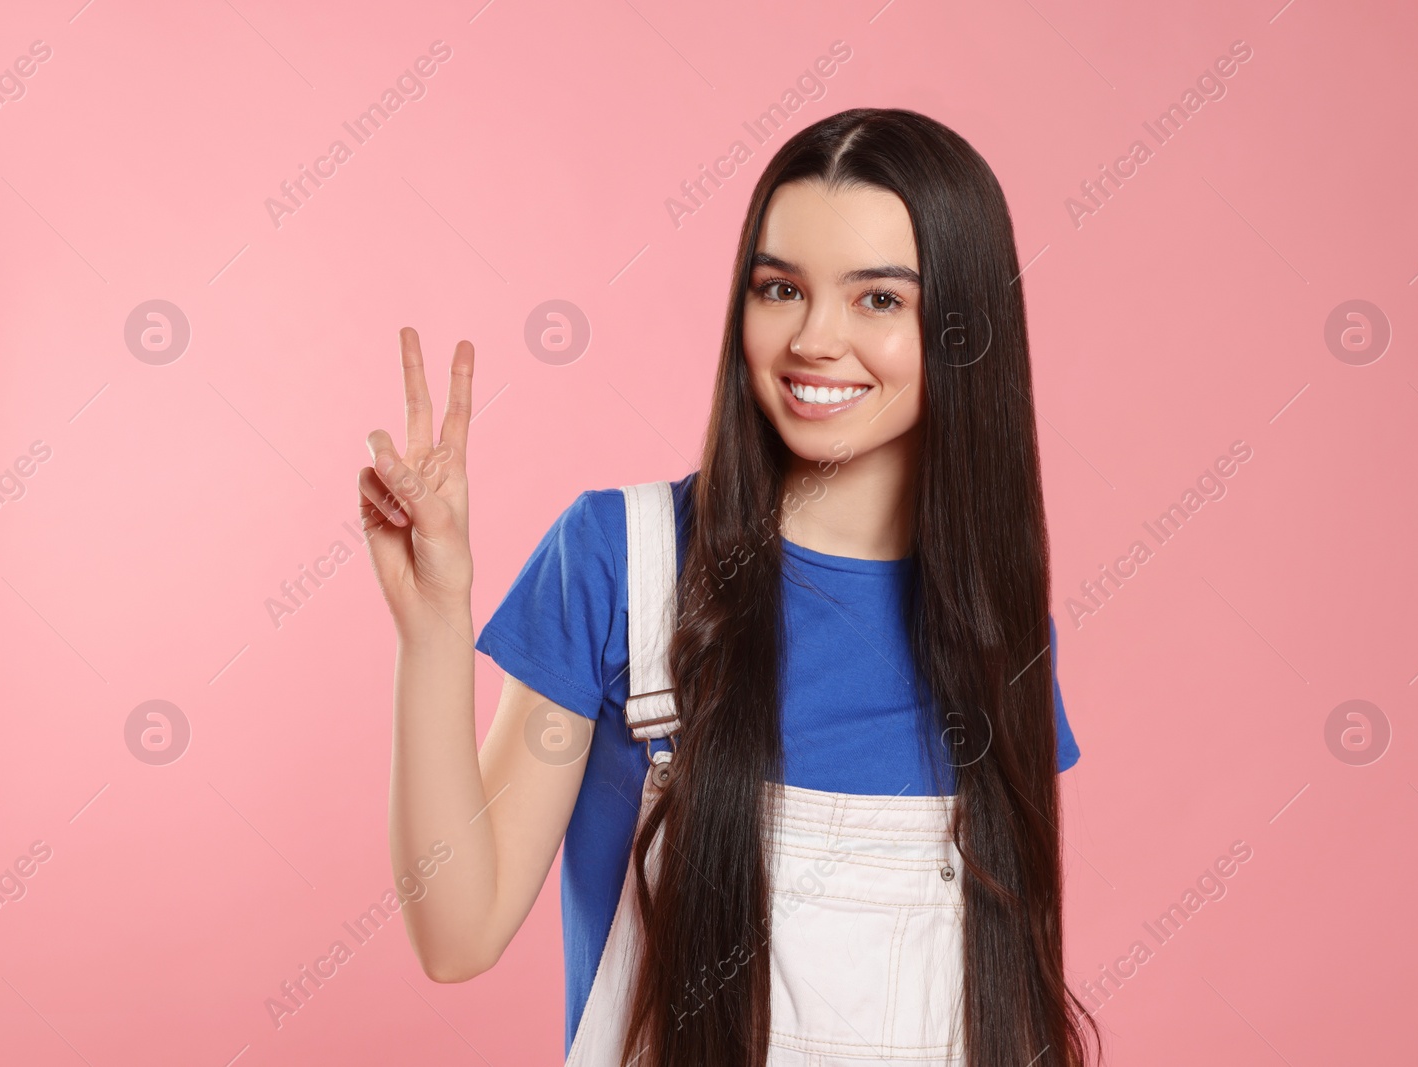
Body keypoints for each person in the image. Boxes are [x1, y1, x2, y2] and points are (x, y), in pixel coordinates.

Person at [360, 107, 1100, 1067]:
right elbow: (457, 936)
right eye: (779, 288)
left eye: (879, 300)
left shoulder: (997, 626)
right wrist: (431, 629)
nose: (815, 340)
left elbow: (1007, 1003)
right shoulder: (620, 559)